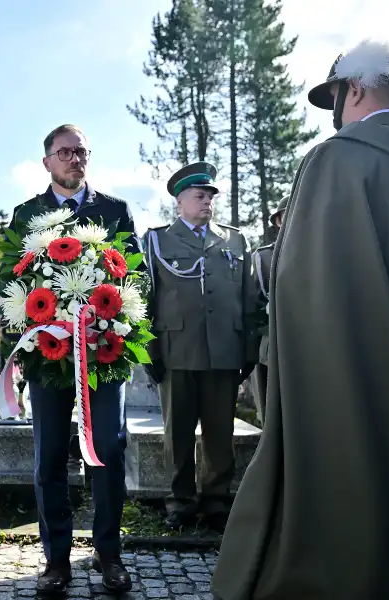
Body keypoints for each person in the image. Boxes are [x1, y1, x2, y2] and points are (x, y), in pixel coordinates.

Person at [211, 40, 389, 600]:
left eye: (336, 96)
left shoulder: (335, 161)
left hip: (363, 390)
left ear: (353, 91)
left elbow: (302, 293)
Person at [5, 124, 140, 595]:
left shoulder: (114, 211)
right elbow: (12, 284)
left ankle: (109, 553)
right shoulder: (28, 214)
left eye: (81, 151)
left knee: (108, 447)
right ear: (46, 161)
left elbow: (136, 279)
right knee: (48, 459)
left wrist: (110, 324)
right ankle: (56, 560)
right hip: (48, 355)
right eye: (64, 152)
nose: (73, 159)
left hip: (104, 352)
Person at [143, 162, 257, 532]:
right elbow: (146, 301)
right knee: (178, 433)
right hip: (177, 351)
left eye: (210, 196)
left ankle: (217, 502)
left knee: (220, 433)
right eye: (199, 195)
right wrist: (151, 353)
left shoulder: (235, 240)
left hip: (224, 350)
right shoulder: (157, 241)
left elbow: (250, 298)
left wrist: (249, 351)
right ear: (179, 202)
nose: (207, 201)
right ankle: (180, 501)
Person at [249, 196, 287, 424]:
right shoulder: (263, 258)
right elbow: (253, 307)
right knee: (272, 418)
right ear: (278, 221)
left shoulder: (322, 254)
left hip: (314, 349)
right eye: (286, 214)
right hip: (271, 351)